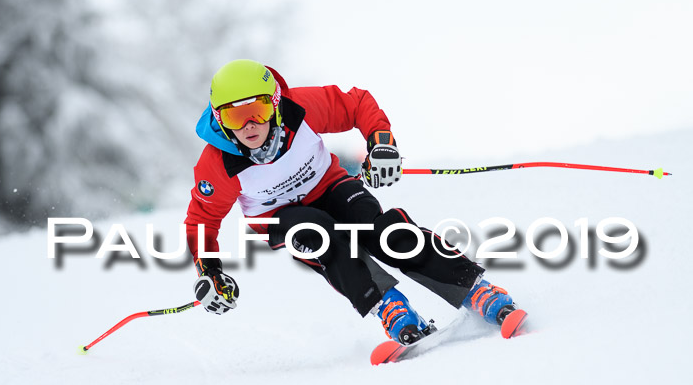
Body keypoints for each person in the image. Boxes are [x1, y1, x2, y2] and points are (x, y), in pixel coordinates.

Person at [185, 59, 527, 345]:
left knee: (381, 232)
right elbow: (202, 221)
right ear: (218, 119)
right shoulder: (217, 164)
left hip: (331, 186)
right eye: (233, 117)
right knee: (317, 233)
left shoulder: (298, 111)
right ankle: (390, 307)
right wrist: (209, 271)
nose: (249, 126)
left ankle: (473, 288)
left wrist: (381, 144)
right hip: (282, 216)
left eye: (257, 110)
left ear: (275, 103)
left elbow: (356, 104)